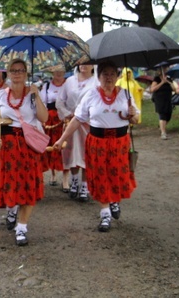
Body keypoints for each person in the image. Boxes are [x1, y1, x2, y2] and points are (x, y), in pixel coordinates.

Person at [54, 61, 139, 232]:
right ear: (98, 77)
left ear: (117, 76)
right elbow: (78, 119)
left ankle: (114, 200)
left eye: (112, 74)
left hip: (120, 142)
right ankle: (105, 213)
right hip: (97, 142)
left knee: (117, 175)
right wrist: (62, 139)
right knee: (101, 176)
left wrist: (132, 115)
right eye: (105, 74)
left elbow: (135, 119)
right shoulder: (91, 95)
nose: (108, 77)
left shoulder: (125, 94)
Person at [0, 58, 48, 246]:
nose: (17, 73)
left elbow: (44, 118)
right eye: (13, 70)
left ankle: (22, 227)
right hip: (7, 147)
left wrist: (36, 95)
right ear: (7, 72)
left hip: (28, 145)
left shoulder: (32, 94)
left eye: (21, 70)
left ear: (26, 73)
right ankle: (12, 209)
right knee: (11, 184)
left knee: (28, 185)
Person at [56, 62, 98, 200]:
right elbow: (60, 100)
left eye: (87, 63)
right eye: (81, 63)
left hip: (88, 123)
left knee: (86, 153)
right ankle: (74, 181)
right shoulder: (69, 81)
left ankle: (84, 186)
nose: (83, 66)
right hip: (71, 122)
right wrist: (67, 113)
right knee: (71, 152)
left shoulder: (96, 81)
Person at [39, 69, 68, 187]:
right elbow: (42, 103)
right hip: (49, 120)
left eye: (61, 69)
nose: (59, 72)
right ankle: (53, 174)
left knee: (65, 147)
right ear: (52, 72)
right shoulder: (46, 86)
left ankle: (66, 179)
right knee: (50, 145)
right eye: (56, 70)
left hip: (64, 118)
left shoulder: (68, 85)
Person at [150, 65, 176, 139]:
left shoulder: (169, 79)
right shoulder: (157, 79)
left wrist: (168, 82)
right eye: (164, 69)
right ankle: (163, 132)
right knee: (162, 115)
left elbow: (174, 89)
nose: (165, 70)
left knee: (168, 115)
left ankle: (161, 126)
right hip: (159, 99)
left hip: (168, 99)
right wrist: (162, 82)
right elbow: (152, 89)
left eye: (166, 69)